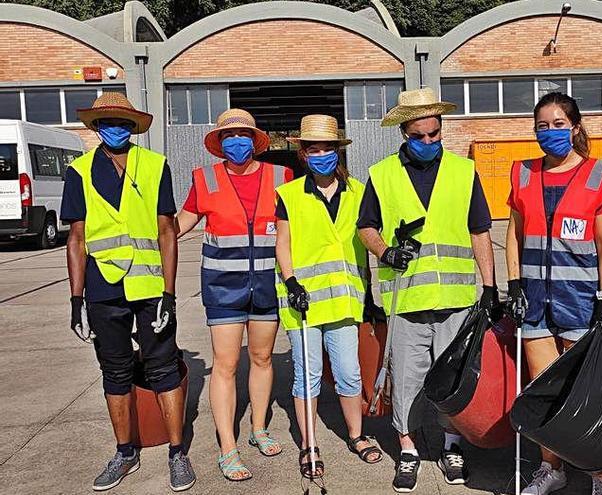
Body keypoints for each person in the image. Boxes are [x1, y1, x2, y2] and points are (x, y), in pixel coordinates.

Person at [357, 87, 497, 493]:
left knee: (452, 380)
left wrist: (489, 288)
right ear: (404, 133)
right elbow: (366, 226)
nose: (428, 143)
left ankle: (453, 445)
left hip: (455, 301)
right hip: (407, 300)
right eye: (419, 136)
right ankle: (408, 448)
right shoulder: (381, 175)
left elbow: (479, 231)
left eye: (434, 134)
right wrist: (385, 252)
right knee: (407, 379)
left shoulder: (463, 171)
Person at [61, 93, 195, 492]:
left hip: (150, 287)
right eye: (107, 123)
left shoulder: (154, 166)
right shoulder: (79, 171)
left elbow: (167, 231)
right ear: (96, 128)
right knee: (115, 370)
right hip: (103, 289)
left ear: (134, 126)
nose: (116, 128)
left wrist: (170, 292)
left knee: (163, 366)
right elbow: (76, 238)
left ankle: (177, 453)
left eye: (123, 122)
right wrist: (76, 298)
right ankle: (124, 452)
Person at [505, 92, 602, 495]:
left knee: (585, 388)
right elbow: (514, 233)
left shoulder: (600, 174)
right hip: (534, 300)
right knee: (543, 387)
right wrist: (514, 284)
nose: (550, 132)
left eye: (558, 124)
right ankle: (550, 469)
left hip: (581, 300)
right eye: (542, 126)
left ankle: (597, 470)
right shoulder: (521, 173)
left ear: (575, 126)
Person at [175, 109, 289, 481]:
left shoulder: (280, 176)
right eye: (229, 136)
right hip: (223, 286)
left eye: (243, 135)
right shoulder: (203, 178)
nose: (236, 142)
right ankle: (228, 447)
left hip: (268, 285)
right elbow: (178, 224)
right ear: (220, 143)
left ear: (255, 140)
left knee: (261, 357)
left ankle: (258, 429)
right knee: (225, 365)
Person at [275, 114, 385, 480]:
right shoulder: (288, 194)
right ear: (303, 154)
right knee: (307, 376)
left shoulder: (358, 191)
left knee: (349, 374)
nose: (321, 154)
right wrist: (291, 282)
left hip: (346, 301)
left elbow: (368, 240)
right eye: (313, 149)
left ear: (338, 151)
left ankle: (357, 436)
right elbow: (283, 242)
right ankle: (309, 445)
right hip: (302, 300)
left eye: (328, 148)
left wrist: (369, 295)